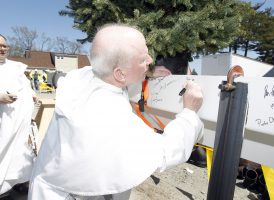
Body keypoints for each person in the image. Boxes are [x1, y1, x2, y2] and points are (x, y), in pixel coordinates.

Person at [28, 23, 204, 200]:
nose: (150, 60)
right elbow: (166, 151)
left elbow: (116, 82)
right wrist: (189, 112)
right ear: (120, 74)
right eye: (143, 59)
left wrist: (143, 71)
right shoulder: (110, 118)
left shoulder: (83, 76)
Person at [0, 34, 35, 195]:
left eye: (4, 46)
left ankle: (19, 182)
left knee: (20, 153)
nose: (2, 49)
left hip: (18, 122)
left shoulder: (16, 67)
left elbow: (26, 87)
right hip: (3, 124)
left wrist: (32, 94)